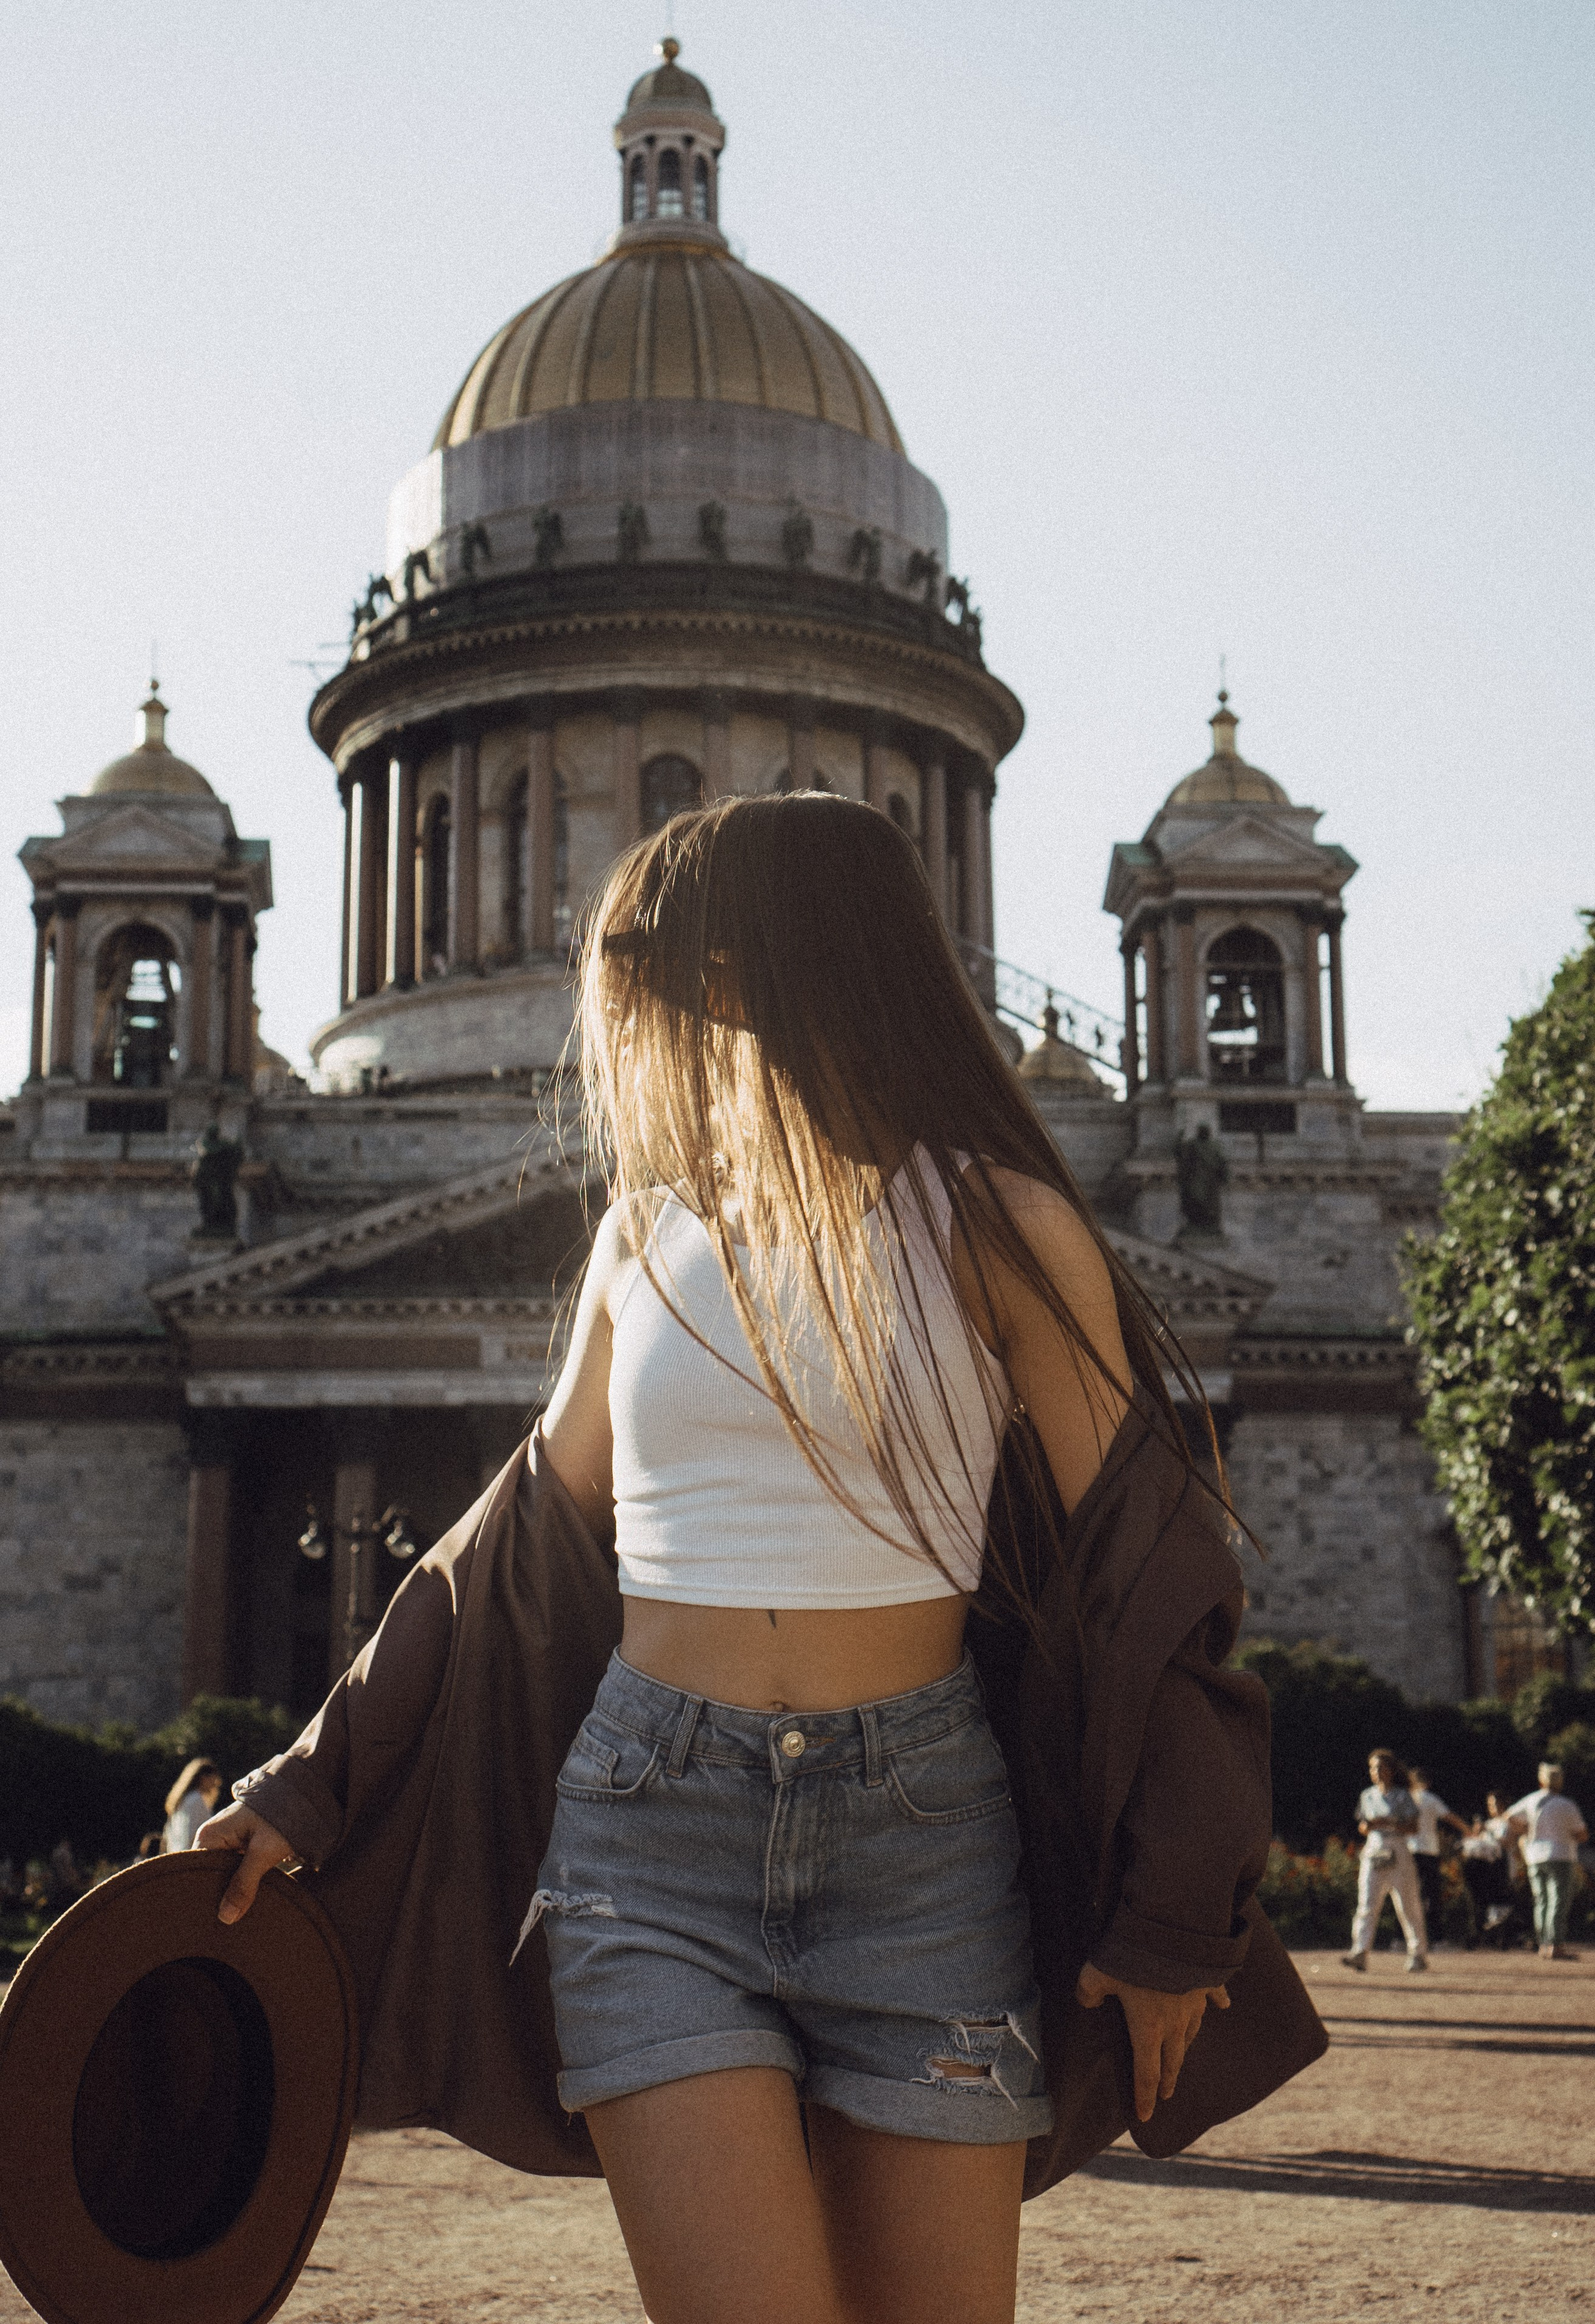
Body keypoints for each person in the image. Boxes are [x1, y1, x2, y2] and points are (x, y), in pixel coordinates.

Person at [198, 795, 1306, 2324]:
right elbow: (505, 1545)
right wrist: (308, 1775)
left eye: (668, 965)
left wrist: (1177, 1900)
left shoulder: (995, 1223)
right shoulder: (638, 1233)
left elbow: (1148, 1560)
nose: (637, 1011)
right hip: (645, 1840)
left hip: (922, 1844)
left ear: (780, 963)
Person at [1343, 1749, 1428, 1973]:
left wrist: (1389, 1822)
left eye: (1380, 1767)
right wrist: (1369, 1826)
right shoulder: (1367, 1796)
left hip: (1397, 1847)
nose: (1376, 1772)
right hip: (1375, 1848)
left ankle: (1418, 1954)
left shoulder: (1402, 1796)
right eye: (1372, 1768)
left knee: (1407, 1904)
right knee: (1367, 1903)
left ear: (1391, 1770)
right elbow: (1362, 1826)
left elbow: (1414, 1827)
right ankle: (1360, 1952)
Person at [1506, 1762, 1589, 1960]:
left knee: (1541, 1901)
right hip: (1560, 1856)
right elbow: (1582, 1834)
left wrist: (1526, 1829)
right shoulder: (1566, 1804)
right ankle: (1556, 1945)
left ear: (1542, 1780)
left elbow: (1509, 1816)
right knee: (1558, 1901)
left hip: (1534, 1856)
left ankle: (1544, 1945)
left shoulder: (1532, 1800)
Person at [1406, 1766, 1467, 1948]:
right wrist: (1469, 1831)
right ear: (1428, 1783)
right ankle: (1436, 1939)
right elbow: (1450, 1817)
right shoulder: (1430, 1799)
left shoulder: (1406, 1798)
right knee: (1432, 1896)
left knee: (1408, 1896)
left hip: (1409, 1852)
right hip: (1428, 1852)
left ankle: (1402, 1939)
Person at [1460, 1794, 1516, 1946]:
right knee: (1478, 1901)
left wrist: (1489, 1833)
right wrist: (1477, 1832)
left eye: (1497, 1804)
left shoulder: (1507, 1822)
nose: (1494, 1808)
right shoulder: (1489, 1823)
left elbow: (1507, 1843)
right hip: (1483, 1868)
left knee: (1502, 1901)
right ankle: (1478, 1935)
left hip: (1500, 1867)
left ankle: (1504, 1937)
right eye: (1490, 1805)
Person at [161, 1757, 223, 1852]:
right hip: (190, 1856)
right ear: (203, 1778)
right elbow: (194, 1834)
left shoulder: (183, 1800)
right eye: (213, 1780)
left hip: (176, 1853)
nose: (214, 1784)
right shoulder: (196, 1799)